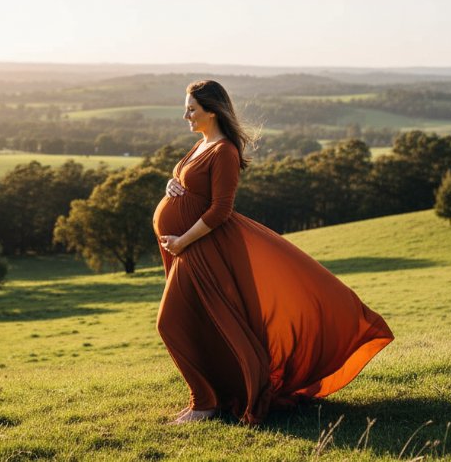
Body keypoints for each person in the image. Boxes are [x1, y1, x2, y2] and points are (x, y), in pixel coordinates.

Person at [152, 80, 394, 425]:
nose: (185, 114)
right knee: (198, 323)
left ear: (213, 111)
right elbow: (190, 184)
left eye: (191, 108)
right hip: (186, 249)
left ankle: (204, 404)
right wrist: (171, 183)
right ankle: (211, 398)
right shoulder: (201, 144)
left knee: (171, 323)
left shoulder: (224, 152)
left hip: (202, 250)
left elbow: (220, 210)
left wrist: (182, 241)